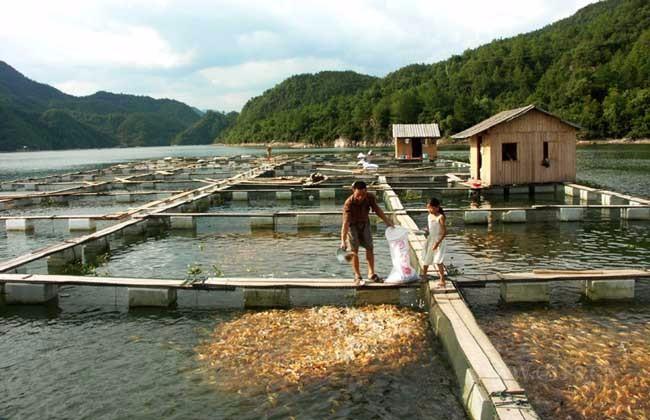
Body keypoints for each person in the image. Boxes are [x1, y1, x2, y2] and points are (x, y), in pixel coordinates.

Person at [340, 180, 394, 285]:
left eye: (363, 194)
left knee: (369, 247)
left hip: (365, 223)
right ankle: (357, 275)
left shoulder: (369, 197)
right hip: (352, 226)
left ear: (366, 191)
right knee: (354, 251)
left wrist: (387, 222)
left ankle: (371, 273)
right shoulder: (348, 203)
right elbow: (345, 223)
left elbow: (377, 210)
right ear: (353, 191)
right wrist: (343, 240)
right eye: (358, 195)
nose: (361, 197)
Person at [421, 197, 447, 287]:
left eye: (431, 208)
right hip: (430, 239)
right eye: (428, 208)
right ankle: (424, 276)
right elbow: (430, 228)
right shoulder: (429, 216)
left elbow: (444, 233)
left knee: (438, 260)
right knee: (427, 258)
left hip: (439, 240)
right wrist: (426, 231)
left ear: (437, 207)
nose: (429, 210)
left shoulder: (440, 217)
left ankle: (442, 279)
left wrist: (437, 243)